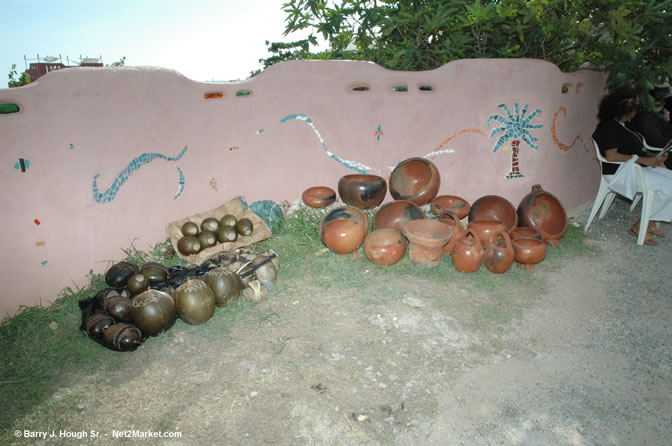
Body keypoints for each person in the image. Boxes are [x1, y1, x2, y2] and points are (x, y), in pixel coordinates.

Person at [592, 86, 672, 245]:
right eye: (633, 109)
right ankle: (641, 225)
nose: (636, 112)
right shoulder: (607, 128)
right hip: (620, 172)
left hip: (634, 168)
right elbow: (611, 155)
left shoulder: (622, 125)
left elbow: (634, 150)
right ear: (622, 111)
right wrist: (644, 160)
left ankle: (650, 222)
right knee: (669, 186)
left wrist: (654, 157)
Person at [629, 84, 672, 150]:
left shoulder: (658, 113)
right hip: (662, 153)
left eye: (665, 92)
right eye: (659, 92)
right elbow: (656, 141)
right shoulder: (645, 116)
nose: (663, 96)